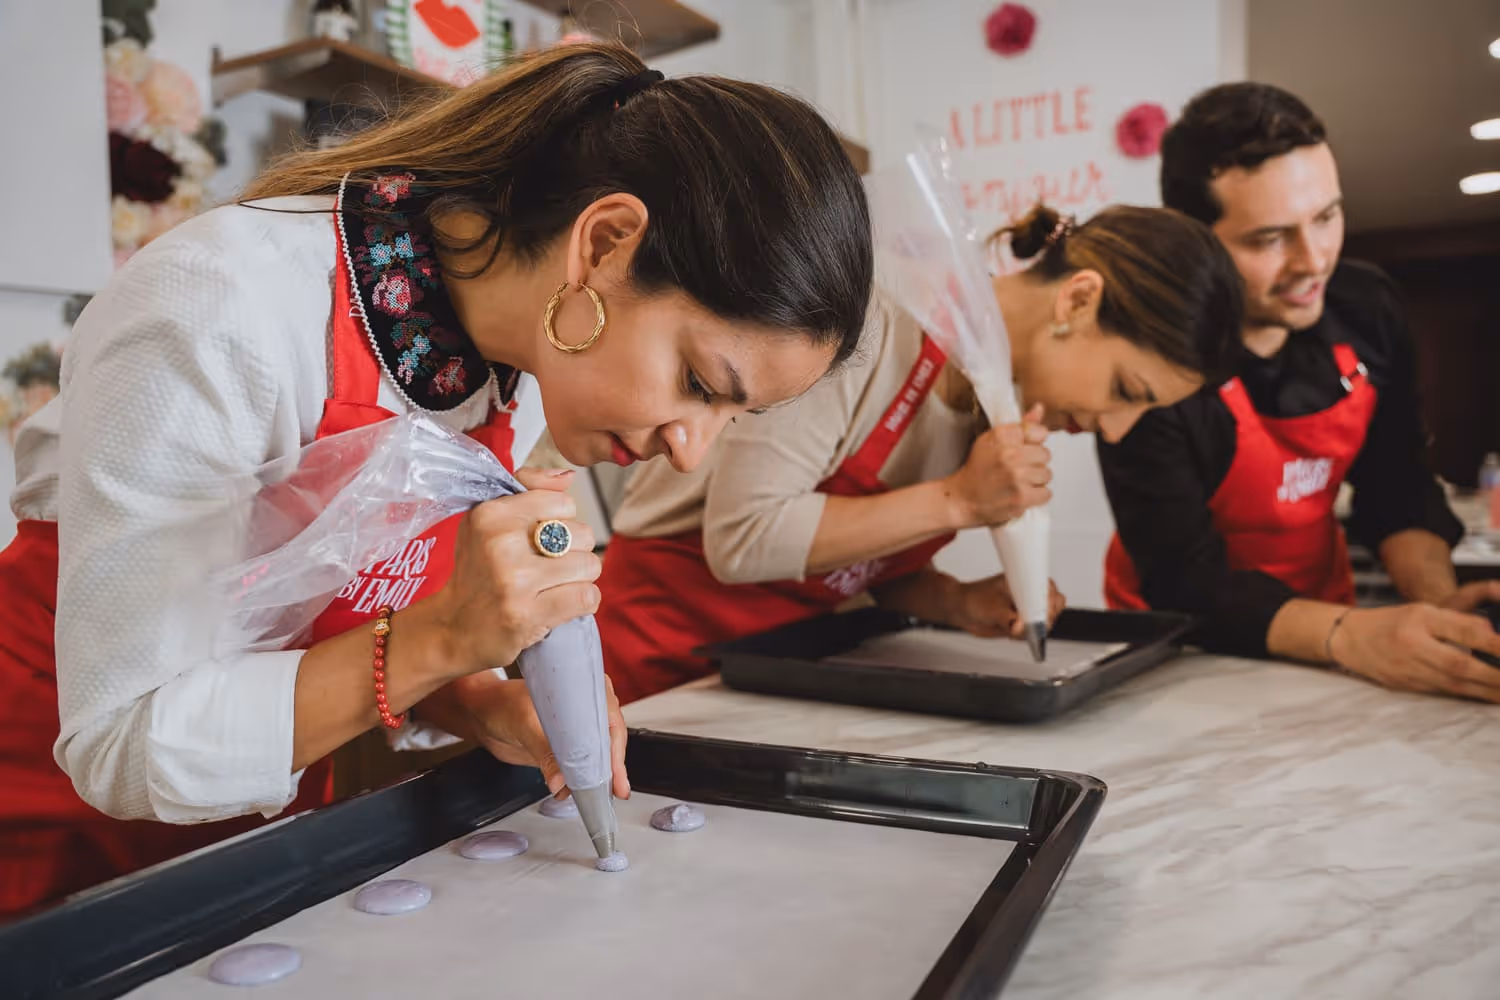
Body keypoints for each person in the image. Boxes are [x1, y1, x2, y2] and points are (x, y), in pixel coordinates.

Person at [0, 44, 874, 917]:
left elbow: (329, 617)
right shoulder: (223, 307)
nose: (692, 451)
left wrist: (483, 702)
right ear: (604, 245)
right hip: (51, 826)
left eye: (732, 417)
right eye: (699, 383)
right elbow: (120, 743)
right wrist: (445, 640)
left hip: (253, 836)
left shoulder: (526, 361)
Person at [597, 202, 1245, 705]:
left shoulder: (995, 399)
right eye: (1125, 390)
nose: (1117, 428)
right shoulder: (873, 315)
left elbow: (850, 561)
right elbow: (742, 539)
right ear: (1078, 299)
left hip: (773, 673)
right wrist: (958, 499)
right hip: (657, 667)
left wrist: (953, 602)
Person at [1099, 83, 1500, 700]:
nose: (1314, 261)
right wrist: (1349, 635)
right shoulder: (1148, 358)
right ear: (1195, 239)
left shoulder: (1367, 307)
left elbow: (1397, 483)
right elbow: (1183, 575)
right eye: (1269, 238)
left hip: (1326, 625)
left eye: (1327, 216)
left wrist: (1441, 609)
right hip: (1176, 654)